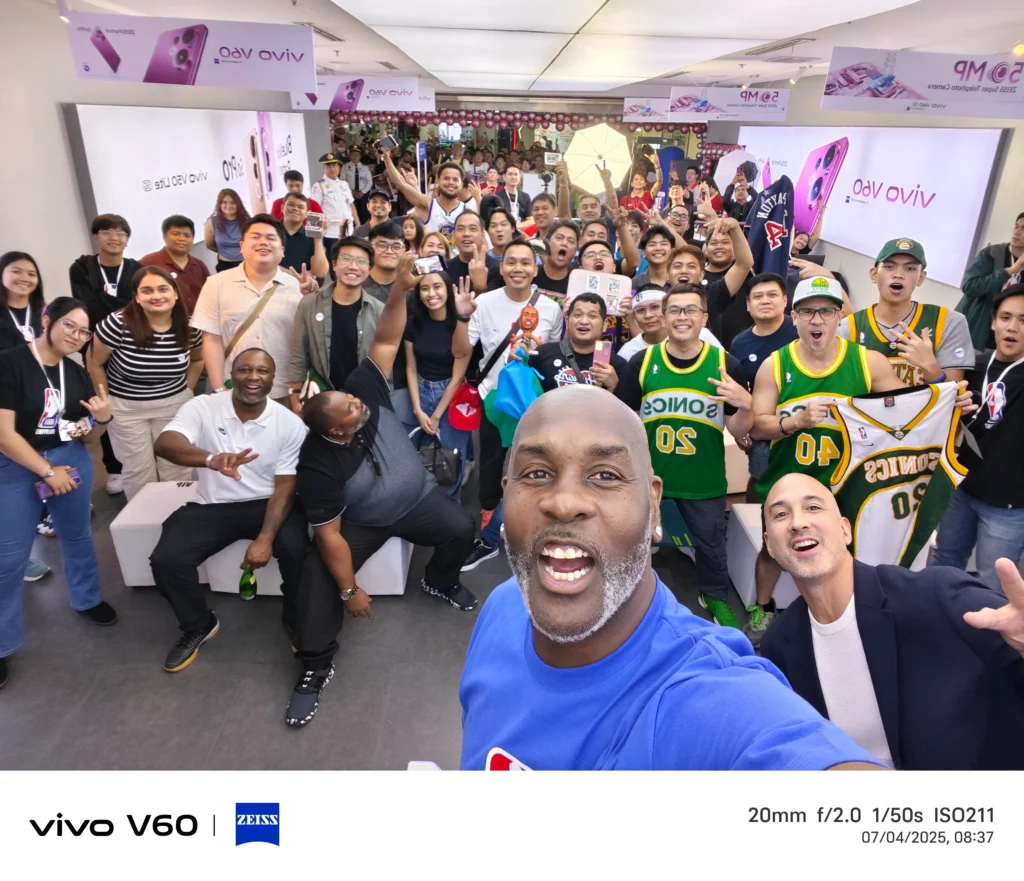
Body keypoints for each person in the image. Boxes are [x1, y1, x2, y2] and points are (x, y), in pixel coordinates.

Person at [459, 387, 883, 770]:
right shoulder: (504, 604)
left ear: (654, 504)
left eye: (605, 475)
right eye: (536, 473)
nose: (564, 502)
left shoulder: (708, 695)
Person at [289, 256, 478, 726]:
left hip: (417, 500)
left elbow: (388, 339)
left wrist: (399, 291)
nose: (360, 404)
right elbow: (330, 536)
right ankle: (315, 664)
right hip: (363, 523)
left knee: (462, 527)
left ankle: (440, 579)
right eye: (350, 410)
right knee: (318, 580)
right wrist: (351, 589)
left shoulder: (362, 392)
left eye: (354, 399)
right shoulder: (318, 464)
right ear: (334, 432)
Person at [760, 472, 1024, 770]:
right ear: (770, 545)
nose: (798, 522)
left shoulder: (936, 597)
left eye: (813, 507)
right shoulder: (779, 645)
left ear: (845, 530)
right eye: (781, 514)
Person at [747, 277, 904, 645]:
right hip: (789, 475)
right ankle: (762, 607)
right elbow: (756, 426)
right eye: (807, 312)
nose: (817, 321)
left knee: (843, 550)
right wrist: (795, 422)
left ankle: (841, 617)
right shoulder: (775, 365)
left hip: (845, 480)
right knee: (772, 550)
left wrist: (942, 386)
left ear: (839, 317)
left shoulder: (869, 363)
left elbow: (907, 413)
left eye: (826, 311)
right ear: (795, 318)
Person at [150, 349, 310, 675]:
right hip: (214, 503)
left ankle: (294, 619)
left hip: (268, 502)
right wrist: (211, 459)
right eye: (245, 370)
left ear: (272, 378)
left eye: (262, 371)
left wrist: (265, 538)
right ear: (231, 374)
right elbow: (165, 443)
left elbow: (285, 486)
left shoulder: (289, 424)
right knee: (167, 559)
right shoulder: (203, 405)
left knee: (297, 553)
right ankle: (198, 624)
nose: (253, 377)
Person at [616, 284, 754, 628]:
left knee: (710, 547)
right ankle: (626, 597)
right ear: (663, 317)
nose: (682, 317)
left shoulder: (725, 364)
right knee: (633, 541)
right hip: (650, 479)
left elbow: (739, 432)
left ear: (704, 318)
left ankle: (716, 597)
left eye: (690, 310)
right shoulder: (642, 362)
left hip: (703, 478)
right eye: (675, 310)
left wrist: (745, 403)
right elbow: (620, 419)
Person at [0, 298, 120, 689]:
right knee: (11, 557)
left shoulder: (75, 372)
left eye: (84, 332)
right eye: (70, 326)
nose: (77, 337)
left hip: (70, 459)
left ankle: (87, 599)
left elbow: (88, 435)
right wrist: (48, 471)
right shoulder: (11, 362)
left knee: (78, 535)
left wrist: (102, 418)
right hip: (19, 462)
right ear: (46, 320)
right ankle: (2, 645)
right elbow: (4, 436)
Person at [931, 283, 1024, 588]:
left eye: (1023, 320)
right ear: (994, 321)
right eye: (1006, 317)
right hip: (961, 487)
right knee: (943, 564)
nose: (1012, 327)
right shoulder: (974, 365)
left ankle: (981, 638)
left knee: (993, 585)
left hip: (1008, 504)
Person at [469, 241, 565, 530]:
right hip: (494, 396)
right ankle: (489, 511)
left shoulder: (551, 309)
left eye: (525, 262)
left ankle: (533, 514)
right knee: (491, 459)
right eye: (511, 262)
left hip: (535, 399)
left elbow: (552, 355)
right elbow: (465, 348)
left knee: (536, 458)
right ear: (501, 267)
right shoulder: (483, 303)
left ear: (535, 270)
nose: (518, 269)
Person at [88, 266, 204, 501]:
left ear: (175, 293)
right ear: (137, 298)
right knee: (139, 472)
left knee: (177, 467)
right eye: (147, 291)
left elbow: (198, 359)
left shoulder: (190, 326)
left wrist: (187, 390)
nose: (156, 296)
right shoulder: (118, 323)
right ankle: (145, 529)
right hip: (126, 408)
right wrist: (106, 400)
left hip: (174, 404)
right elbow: (94, 362)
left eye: (163, 289)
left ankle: (178, 519)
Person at [191, 214, 316, 405]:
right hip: (233, 387)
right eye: (255, 237)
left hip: (283, 388)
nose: (263, 242)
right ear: (241, 246)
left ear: (282, 251)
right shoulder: (216, 284)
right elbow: (211, 340)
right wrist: (218, 389)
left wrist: (311, 299)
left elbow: (308, 342)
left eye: (271, 238)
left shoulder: (299, 288)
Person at [70, 213, 144, 496]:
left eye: (121, 233)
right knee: (104, 404)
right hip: (96, 347)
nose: (114, 237)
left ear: (127, 240)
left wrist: (109, 305)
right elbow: (86, 305)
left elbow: (136, 306)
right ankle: (114, 468)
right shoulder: (82, 267)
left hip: (130, 346)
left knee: (129, 403)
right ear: (96, 236)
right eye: (107, 232)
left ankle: (134, 461)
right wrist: (122, 307)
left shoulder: (137, 269)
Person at [841, 239, 974, 386]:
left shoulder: (947, 322)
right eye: (889, 267)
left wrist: (931, 367)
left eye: (910, 269)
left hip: (927, 409)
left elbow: (955, 398)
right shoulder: (849, 328)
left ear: (921, 278)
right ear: (874, 274)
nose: (898, 274)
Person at [287, 237, 385, 414]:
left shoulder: (379, 310)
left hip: (363, 401)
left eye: (362, 261)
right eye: (346, 259)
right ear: (334, 264)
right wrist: (295, 396)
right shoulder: (309, 304)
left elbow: (384, 362)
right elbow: (298, 355)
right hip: (322, 398)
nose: (353, 267)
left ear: (369, 269)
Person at [0, 251, 51, 582]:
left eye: (31, 273)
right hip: (4, 399)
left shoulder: (44, 313)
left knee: (31, 464)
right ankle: (13, 559)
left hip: (36, 401)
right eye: (16, 271)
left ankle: (41, 518)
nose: (24, 278)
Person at [728, 273, 798, 507]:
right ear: (748, 305)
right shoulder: (740, 343)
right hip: (764, 432)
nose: (765, 300)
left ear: (785, 300)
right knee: (761, 483)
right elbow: (739, 391)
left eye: (772, 295)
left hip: (806, 425)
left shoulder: (801, 330)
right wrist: (741, 430)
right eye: (757, 296)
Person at [405, 271, 473, 499]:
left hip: (452, 398)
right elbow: (411, 367)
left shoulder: (461, 324)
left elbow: (457, 377)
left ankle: (453, 514)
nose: (431, 294)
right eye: (425, 288)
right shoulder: (414, 323)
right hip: (422, 392)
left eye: (437, 287)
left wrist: (436, 415)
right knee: (423, 459)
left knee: (450, 463)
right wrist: (418, 409)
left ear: (448, 290)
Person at [665, 219, 754, 346]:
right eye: (678, 266)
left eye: (691, 266)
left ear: (702, 274)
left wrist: (734, 226)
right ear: (667, 272)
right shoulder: (658, 299)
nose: (684, 271)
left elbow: (744, 264)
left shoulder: (711, 295)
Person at [532, 293, 626, 393]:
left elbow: (623, 407)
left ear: (604, 325)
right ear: (567, 321)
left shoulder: (617, 365)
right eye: (577, 315)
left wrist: (614, 386)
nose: (584, 321)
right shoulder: (542, 354)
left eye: (592, 316)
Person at [957, 212, 1024, 349]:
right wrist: (1009, 271)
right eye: (1016, 226)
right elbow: (969, 287)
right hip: (974, 335)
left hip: (1008, 341)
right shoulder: (992, 253)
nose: (1017, 232)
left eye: (1023, 229)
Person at [383, 151, 476, 246]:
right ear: (438, 180)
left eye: (455, 179)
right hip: (430, 259)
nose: (451, 182)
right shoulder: (428, 204)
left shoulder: (467, 211)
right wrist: (387, 160)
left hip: (456, 260)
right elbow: (401, 185)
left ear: (461, 185)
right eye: (446, 178)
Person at [617, 285, 722, 364]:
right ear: (634, 316)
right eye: (640, 310)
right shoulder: (627, 352)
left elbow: (724, 365)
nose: (648, 315)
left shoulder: (700, 334)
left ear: (666, 312)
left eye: (655, 307)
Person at [140, 215, 210, 315]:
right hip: (161, 323)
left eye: (187, 235)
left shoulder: (199, 265)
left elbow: (209, 296)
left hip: (196, 325)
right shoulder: (149, 263)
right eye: (176, 234)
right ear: (164, 236)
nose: (182, 239)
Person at [310, 153, 359, 262]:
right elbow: (314, 210)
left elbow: (351, 204)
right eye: (328, 166)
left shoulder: (344, 184)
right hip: (331, 232)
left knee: (349, 258)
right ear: (324, 168)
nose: (332, 169)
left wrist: (358, 224)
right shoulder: (319, 186)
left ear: (339, 167)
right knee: (335, 262)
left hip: (348, 229)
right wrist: (315, 237)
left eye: (335, 165)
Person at [446, 212, 500, 293]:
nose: (466, 234)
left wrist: (480, 287)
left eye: (473, 229)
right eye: (461, 229)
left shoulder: (497, 268)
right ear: (454, 235)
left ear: (483, 235)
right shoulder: (446, 269)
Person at [278, 193, 329, 280]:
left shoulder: (311, 235)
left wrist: (318, 238)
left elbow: (321, 272)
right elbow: (263, 264)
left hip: (303, 289)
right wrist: (297, 276)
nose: (295, 209)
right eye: (291, 204)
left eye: (300, 207)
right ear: (282, 208)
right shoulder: (271, 231)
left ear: (306, 214)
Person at [203, 190, 249, 272]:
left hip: (247, 264)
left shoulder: (248, 222)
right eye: (224, 202)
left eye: (233, 202)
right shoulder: (211, 222)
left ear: (238, 204)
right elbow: (209, 244)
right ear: (219, 204)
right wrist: (224, 251)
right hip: (224, 265)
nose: (229, 205)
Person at [532, 220, 578, 300]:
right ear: (547, 243)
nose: (564, 243)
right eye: (559, 238)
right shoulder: (530, 274)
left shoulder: (577, 283)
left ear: (575, 252)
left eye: (570, 241)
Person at [361, 222, 405, 304]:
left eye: (396, 247)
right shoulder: (358, 284)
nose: (389, 251)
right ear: (370, 248)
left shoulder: (409, 284)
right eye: (382, 245)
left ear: (404, 251)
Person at [631, 226, 674, 290]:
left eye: (663, 244)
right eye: (652, 244)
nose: (658, 248)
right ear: (643, 252)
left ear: (672, 251)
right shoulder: (634, 283)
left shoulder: (679, 281)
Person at [341, 145, 374, 221]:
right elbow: (343, 181)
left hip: (363, 194)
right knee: (351, 213)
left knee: (364, 213)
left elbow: (369, 182)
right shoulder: (345, 166)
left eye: (357, 155)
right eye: (352, 155)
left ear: (360, 156)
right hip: (350, 194)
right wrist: (351, 191)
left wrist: (362, 192)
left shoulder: (365, 167)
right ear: (349, 156)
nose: (355, 157)